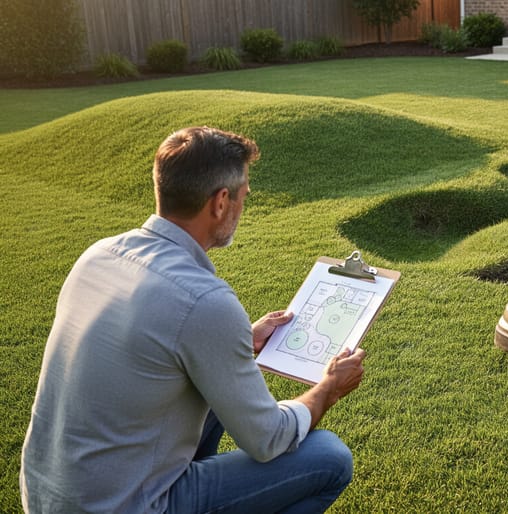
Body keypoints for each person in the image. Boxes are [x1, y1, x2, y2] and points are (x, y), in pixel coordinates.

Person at [20, 126, 366, 513]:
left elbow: (150, 349)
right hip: (123, 505)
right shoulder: (204, 300)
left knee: (217, 391)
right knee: (329, 456)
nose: (241, 207)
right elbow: (269, 439)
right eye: (243, 197)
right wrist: (329, 388)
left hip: (48, 496)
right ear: (220, 202)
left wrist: (242, 340)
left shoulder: (98, 255)